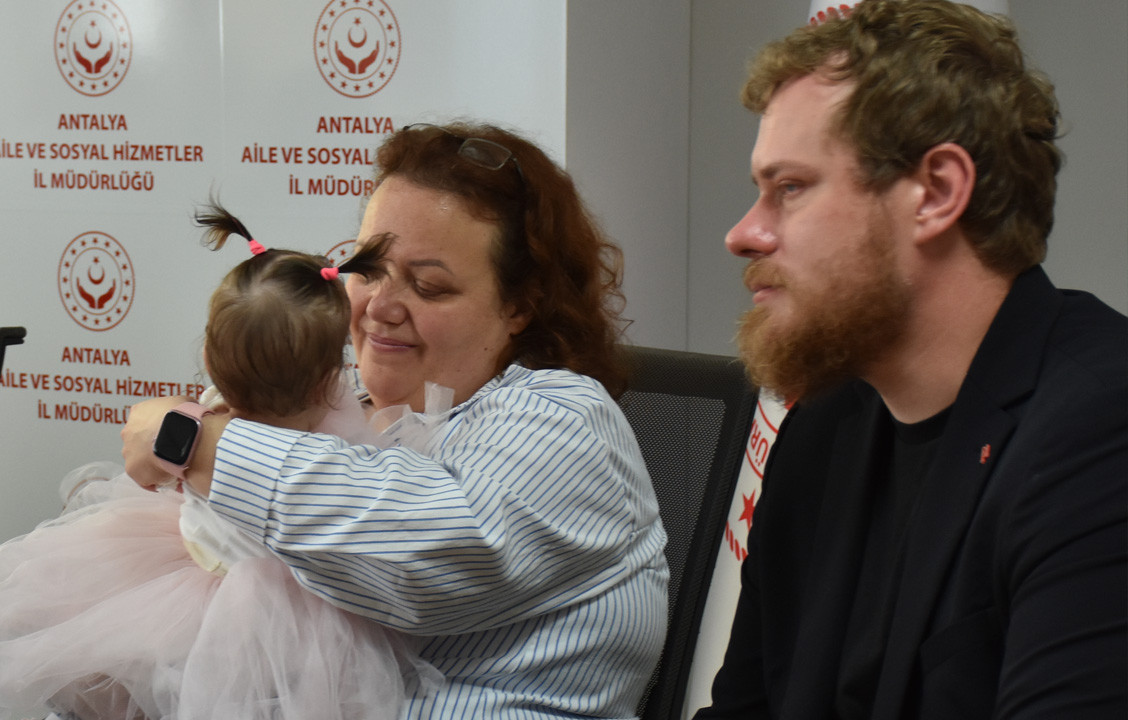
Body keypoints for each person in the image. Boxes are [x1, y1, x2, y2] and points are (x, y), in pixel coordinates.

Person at [119, 122, 669, 718]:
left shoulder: (567, 420)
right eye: (367, 269)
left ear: (519, 307)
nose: (379, 308)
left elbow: (422, 554)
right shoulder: (338, 400)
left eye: (428, 286)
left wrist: (193, 443)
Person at [697, 1, 1127, 718]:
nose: (743, 234)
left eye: (790, 188)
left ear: (936, 193)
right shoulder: (824, 425)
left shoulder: (1101, 432)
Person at [0, 203, 443, 720]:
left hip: (181, 576)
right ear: (328, 380)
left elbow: (148, 474)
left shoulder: (197, 418)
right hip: (292, 620)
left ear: (209, 358)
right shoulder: (336, 442)